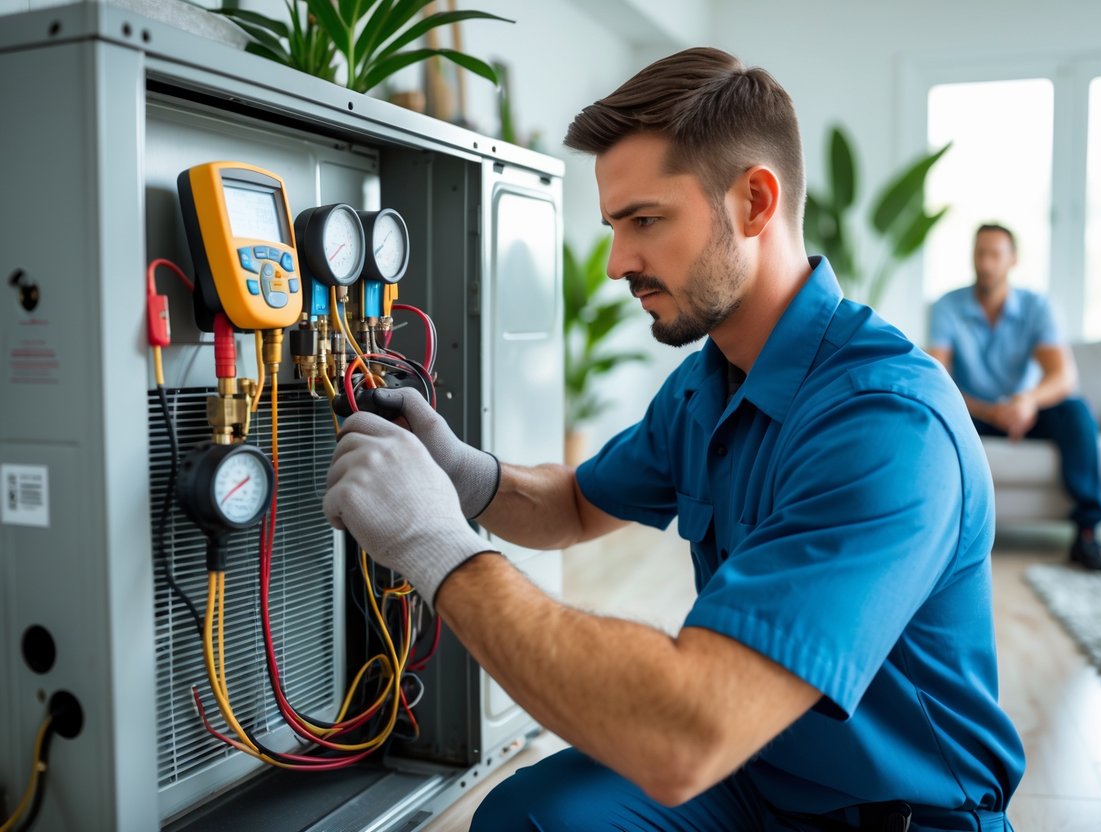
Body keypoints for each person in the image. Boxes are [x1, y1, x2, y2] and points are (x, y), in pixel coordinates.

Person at [324, 48, 1024, 831]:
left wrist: (433, 543)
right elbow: (577, 505)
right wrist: (462, 474)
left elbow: (685, 736)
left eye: (646, 220)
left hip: (895, 813)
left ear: (754, 202)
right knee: (530, 818)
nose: (620, 261)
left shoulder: (887, 424)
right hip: (758, 775)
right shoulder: (708, 379)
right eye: (615, 226)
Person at [927, 225, 1101, 573]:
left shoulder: (1038, 307)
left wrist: (1028, 401)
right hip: (973, 412)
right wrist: (990, 410)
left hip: (1025, 410)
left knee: (1076, 411)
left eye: (994, 255)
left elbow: (1064, 376)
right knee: (929, 412)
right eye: (979, 254)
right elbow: (937, 378)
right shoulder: (947, 307)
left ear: (1012, 260)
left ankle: (1088, 535)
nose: (985, 263)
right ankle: (933, 533)